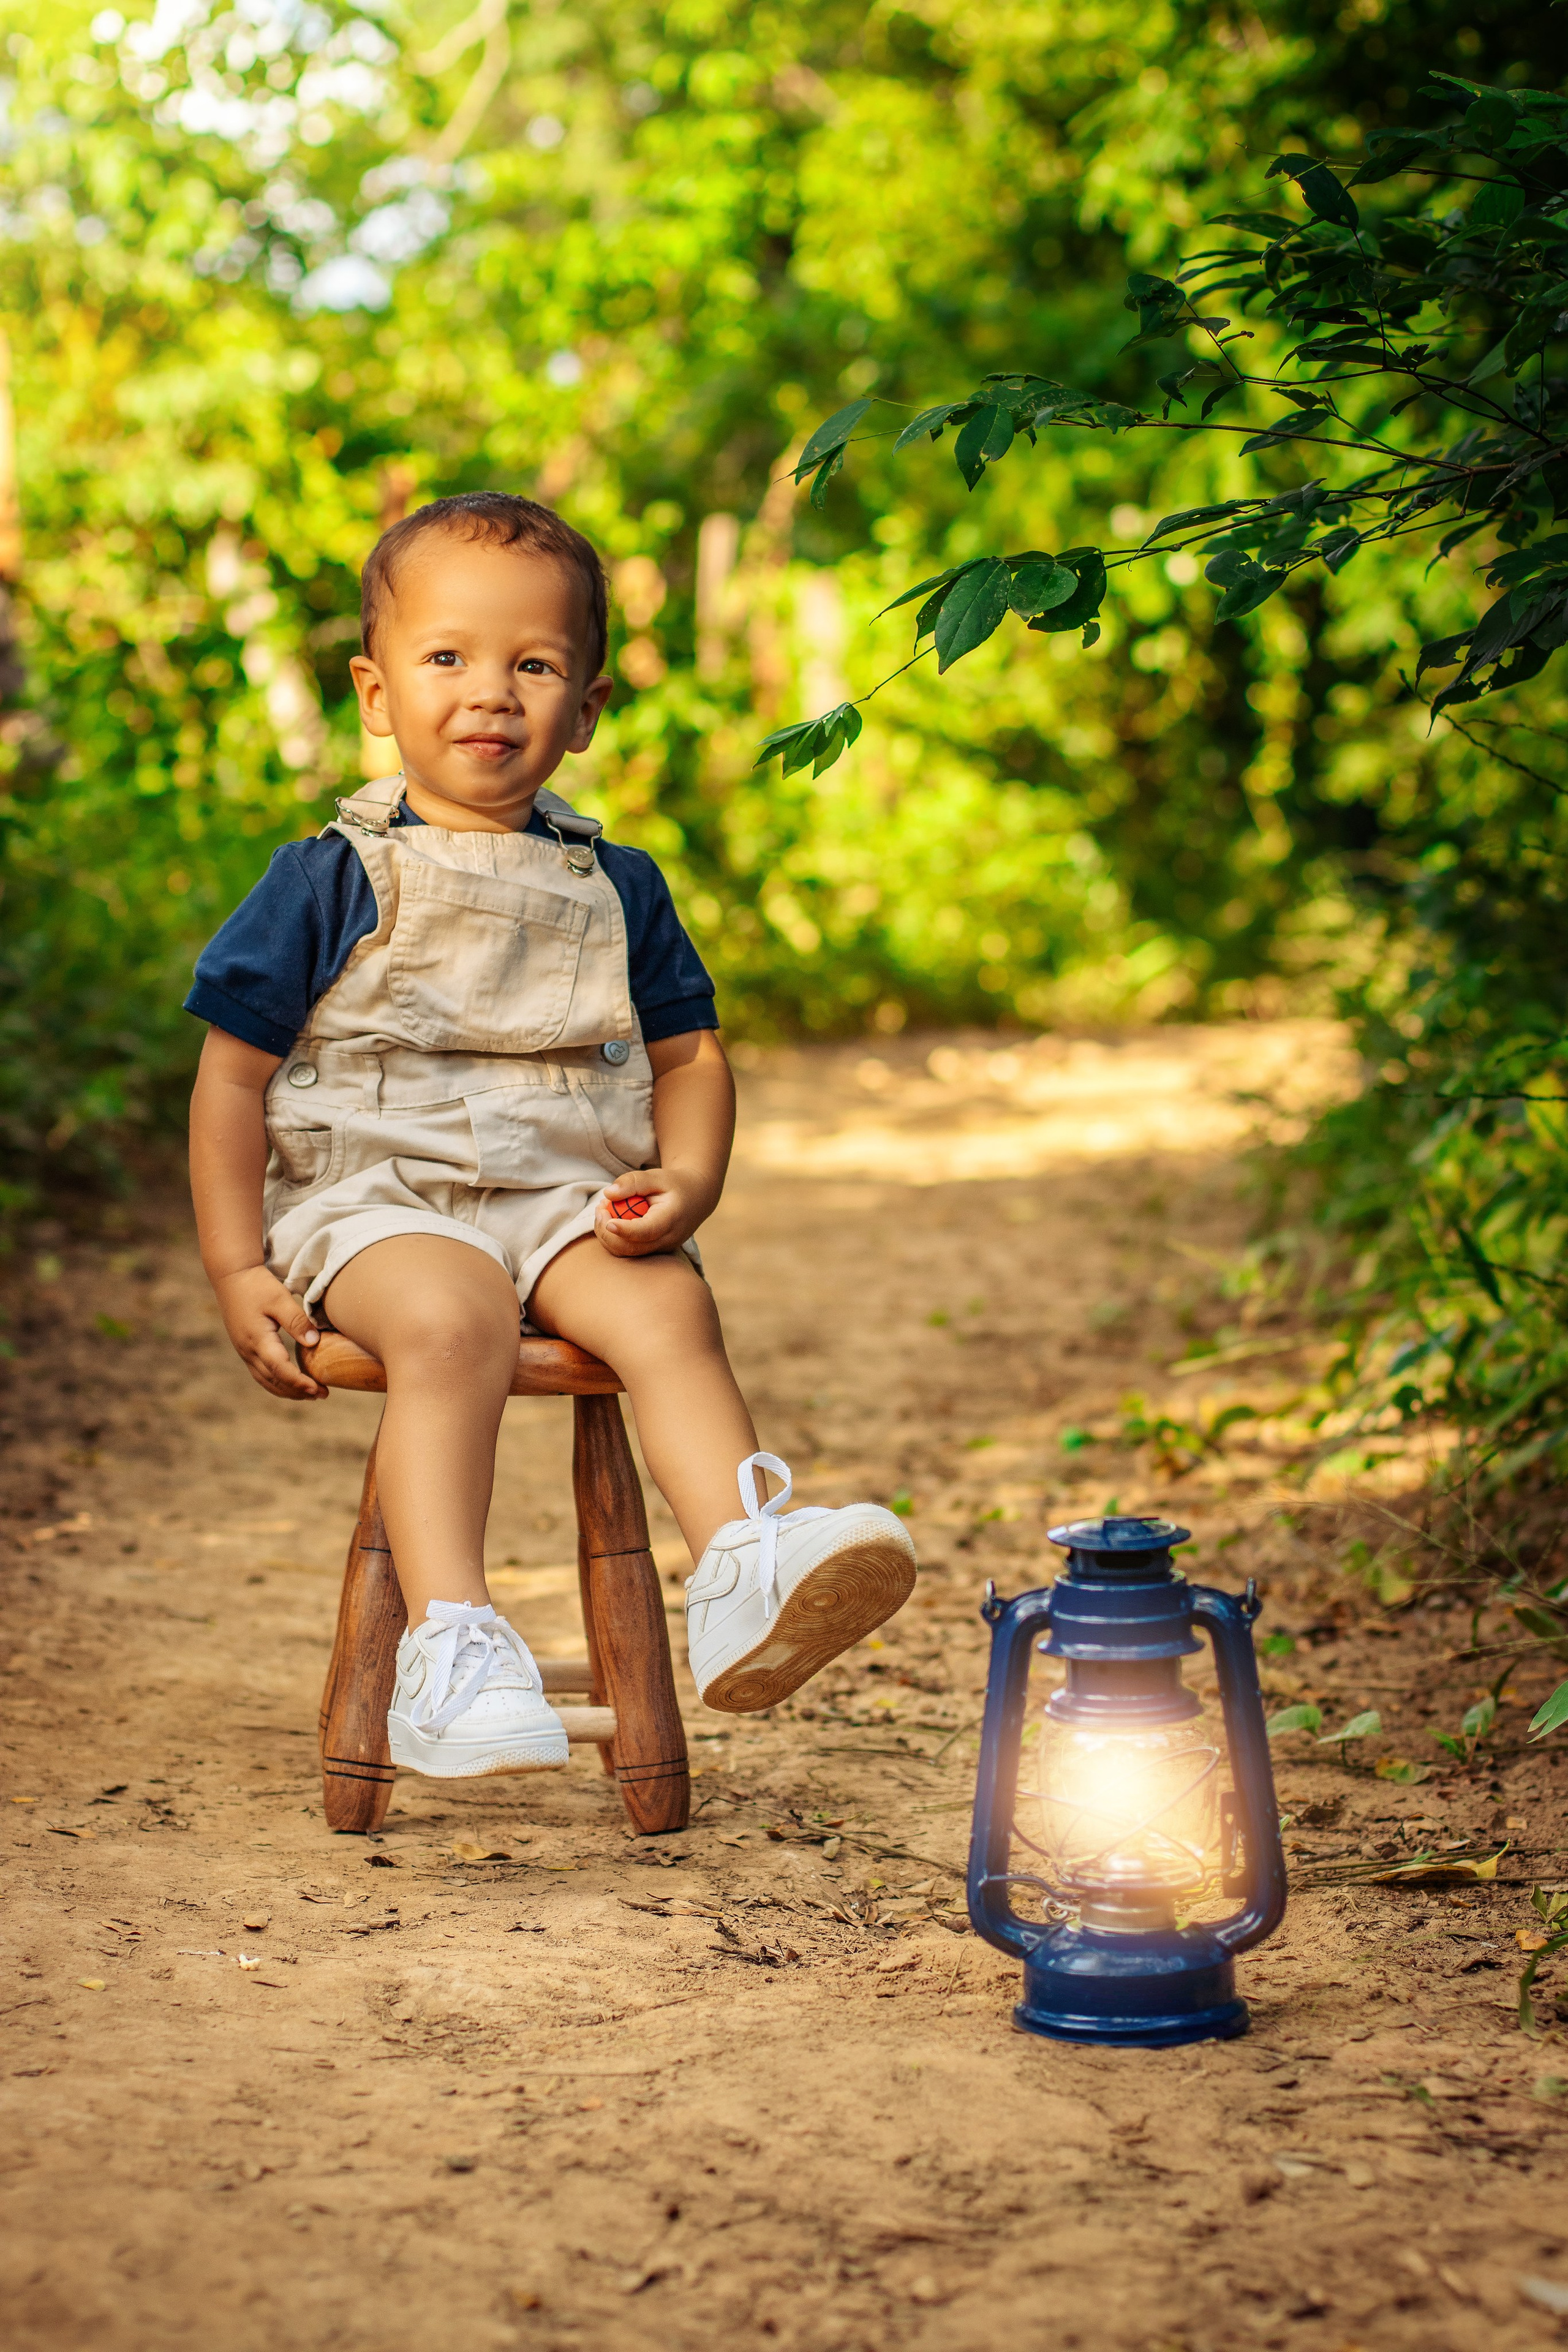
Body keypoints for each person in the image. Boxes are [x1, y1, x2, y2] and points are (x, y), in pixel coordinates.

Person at [185, 492, 916, 1781]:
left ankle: (740, 1563)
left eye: (533, 665)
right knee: (453, 1314)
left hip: (563, 1198)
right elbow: (231, 1082)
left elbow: (691, 1057)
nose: (491, 692)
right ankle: (454, 1644)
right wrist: (239, 1266)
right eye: (447, 657)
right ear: (375, 692)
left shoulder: (616, 882)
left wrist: (688, 1180)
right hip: (377, 1202)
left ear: (585, 710)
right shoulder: (327, 876)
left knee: (667, 1304)